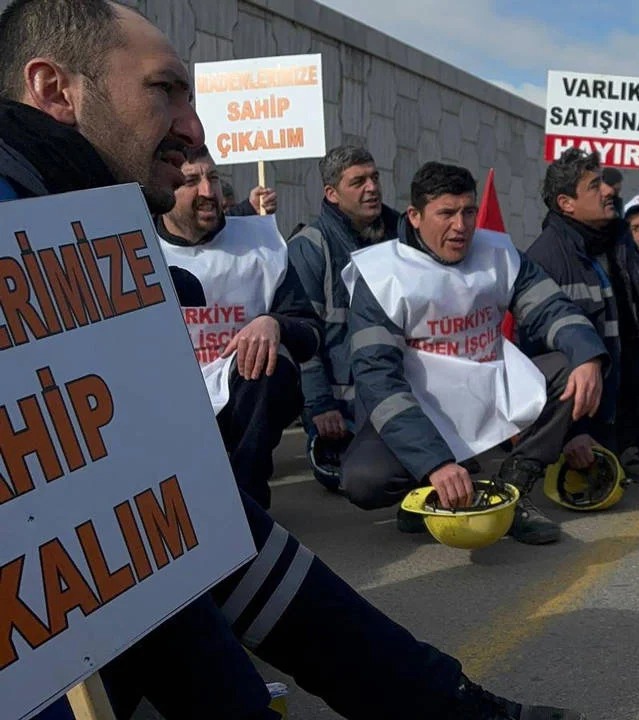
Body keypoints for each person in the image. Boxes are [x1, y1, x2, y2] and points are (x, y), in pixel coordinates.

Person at [0, 2, 581, 718]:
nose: (194, 129)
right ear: (55, 89)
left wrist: (447, 701)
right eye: (164, 90)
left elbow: (172, 542)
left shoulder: (89, 227)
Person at [340, 161, 608, 545]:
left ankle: (515, 487)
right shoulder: (382, 275)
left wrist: (587, 356)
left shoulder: (499, 253)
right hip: (420, 406)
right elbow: (376, 378)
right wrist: (433, 463)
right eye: (446, 213)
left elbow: (552, 308)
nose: (461, 226)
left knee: (571, 368)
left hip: (491, 390)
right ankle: (429, 491)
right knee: (364, 481)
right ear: (414, 216)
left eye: (468, 211)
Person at [526, 148, 639, 484]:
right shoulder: (545, 257)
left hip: (626, 360)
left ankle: (629, 448)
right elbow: (540, 360)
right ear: (566, 203)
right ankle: (578, 445)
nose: (608, 190)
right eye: (595, 186)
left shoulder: (619, 237)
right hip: (586, 378)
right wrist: (572, 430)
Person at [156, 145, 319, 509]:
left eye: (213, 178)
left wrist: (273, 322)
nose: (207, 191)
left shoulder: (260, 244)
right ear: (165, 190)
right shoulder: (136, 247)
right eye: (191, 181)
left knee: (270, 364)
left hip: (242, 396)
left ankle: (249, 506)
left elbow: (310, 333)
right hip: (167, 403)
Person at [287, 145, 402, 492]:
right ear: (332, 194)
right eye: (358, 181)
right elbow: (302, 335)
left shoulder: (402, 235)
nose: (372, 188)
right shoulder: (310, 247)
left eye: (375, 177)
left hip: (397, 394)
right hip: (340, 413)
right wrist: (320, 405)